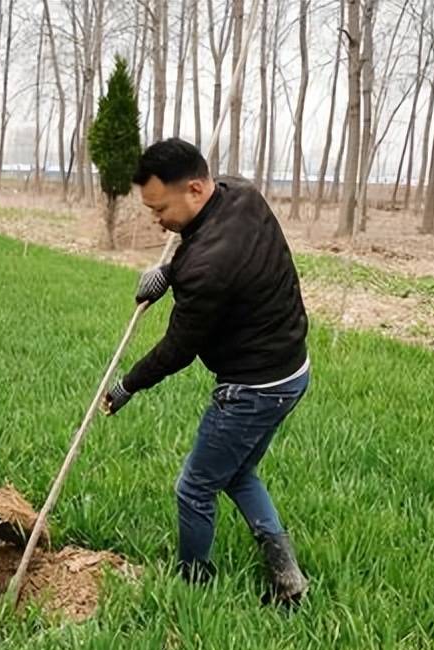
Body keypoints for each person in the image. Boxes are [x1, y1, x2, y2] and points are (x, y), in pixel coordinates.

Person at [102, 138, 310, 604]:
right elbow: (204, 240)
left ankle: (192, 585)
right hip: (292, 371)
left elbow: (178, 348)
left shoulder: (207, 268)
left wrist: (127, 384)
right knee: (235, 473)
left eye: (160, 209)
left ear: (195, 189)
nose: (157, 221)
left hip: (253, 388)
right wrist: (170, 273)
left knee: (194, 487)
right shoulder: (240, 192)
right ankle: (287, 574)